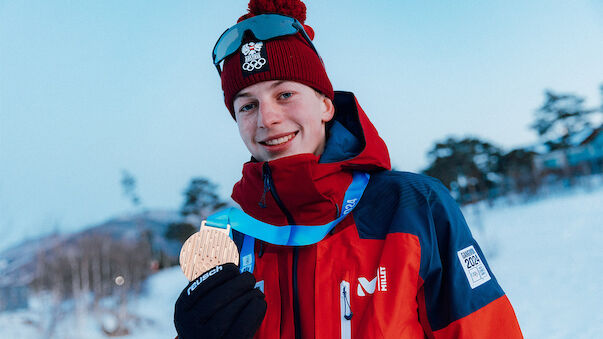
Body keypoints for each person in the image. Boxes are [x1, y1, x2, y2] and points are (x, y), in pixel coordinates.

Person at [174, 0, 523, 338]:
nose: (267, 119)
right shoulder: (235, 241)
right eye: (248, 106)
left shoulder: (414, 208)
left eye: (284, 95)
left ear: (326, 105)